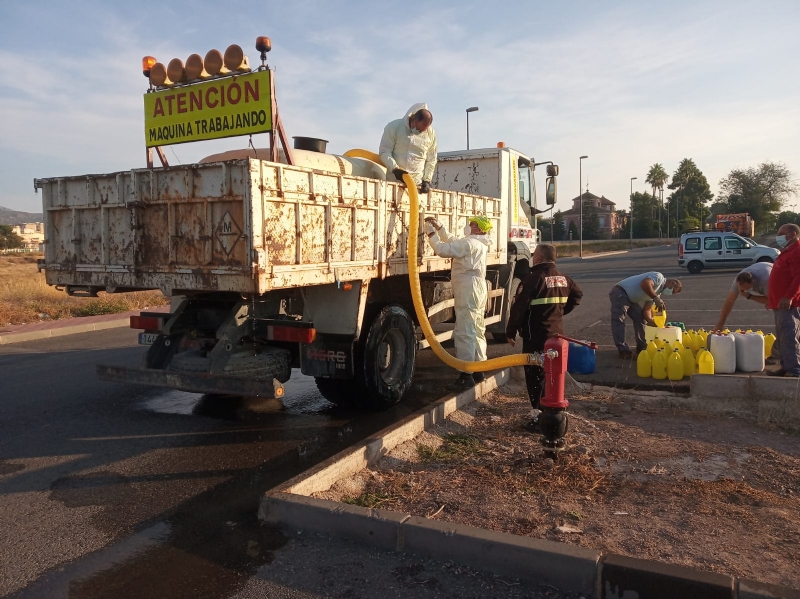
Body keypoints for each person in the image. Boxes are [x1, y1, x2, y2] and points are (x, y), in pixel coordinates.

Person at [505, 244, 582, 432]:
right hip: (556, 335)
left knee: (535, 376)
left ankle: (539, 415)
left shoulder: (533, 279)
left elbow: (518, 309)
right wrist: (558, 313)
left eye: (534, 255)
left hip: (535, 336)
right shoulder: (564, 279)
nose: (532, 258)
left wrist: (511, 331)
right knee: (553, 374)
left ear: (538, 258)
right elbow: (577, 295)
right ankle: (552, 411)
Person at [423, 215, 492, 389]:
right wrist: (440, 228)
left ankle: (465, 374)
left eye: (473, 224)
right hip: (476, 286)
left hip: (468, 287)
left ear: (480, 229)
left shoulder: (470, 244)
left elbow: (443, 250)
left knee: (465, 329)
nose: (469, 226)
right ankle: (478, 369)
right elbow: (455, 242)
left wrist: (431, 235)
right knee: (476, 328)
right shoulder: (478, 243)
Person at [610, 272, 682, 358]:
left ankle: (642, 347)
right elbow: (645, 283)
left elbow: (646, 310)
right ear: (672, 284)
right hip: (621, 292)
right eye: (673, 291)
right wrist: (655, 298)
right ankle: (623, 350)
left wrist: (651, 321)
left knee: (640, 318)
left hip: (632, 300)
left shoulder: (657, 294)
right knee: (619, 320)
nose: (671, 293)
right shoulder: (659, 277)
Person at [379, 103, 437, 193]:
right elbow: (384, 151)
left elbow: (431, 159)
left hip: (416, 186)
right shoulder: (394, 127)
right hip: (393, 184)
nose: (419, 132)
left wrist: (427, 180)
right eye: (418, 129)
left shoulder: (430, 134)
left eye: (422, 131)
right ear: (413, 119)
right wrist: (395, 169)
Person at [767, 223, 800, 377]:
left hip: (788, 304)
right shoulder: (787, 251)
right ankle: (786, 366)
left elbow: (798, 277)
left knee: (789, 336)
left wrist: (789, 296)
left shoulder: (797, 251)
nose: (778, 236)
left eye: (782, 233)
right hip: (778, 303)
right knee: (782, 337)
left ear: (793, 234)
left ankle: (794, 369)